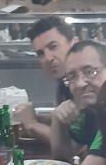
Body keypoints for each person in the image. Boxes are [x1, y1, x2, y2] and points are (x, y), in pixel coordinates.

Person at [50, 39, 106, 165]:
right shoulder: (90, 112)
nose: (80, 84)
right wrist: (58, 119)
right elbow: (62, 156)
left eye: (90, 72)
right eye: (72, 77)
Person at [15, 15, 76, 145]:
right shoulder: (64, 84)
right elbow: (70, 126)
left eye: (53, 47)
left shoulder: (86, 85)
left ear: (74, 44)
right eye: (41, 53)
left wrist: (32, 124)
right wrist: (41, 119)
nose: (48, 58)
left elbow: (75, 144)